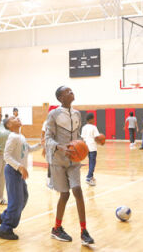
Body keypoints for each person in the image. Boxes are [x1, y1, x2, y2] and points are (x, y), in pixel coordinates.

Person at [45, 86, 94, 245]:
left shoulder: (77, 113)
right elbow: (48, 138)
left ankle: (84, 231)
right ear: (60, 98)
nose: (71, 92)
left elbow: (77, 137)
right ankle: (57, 228)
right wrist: (60, 147)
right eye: (67, 91)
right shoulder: (53, 114)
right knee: (64, 195)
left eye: (72, 90)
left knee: (78, 191)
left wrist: (84, 145)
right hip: (58, 161)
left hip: (74, 160)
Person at [0, 116, 43, 240]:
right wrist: (20, 166)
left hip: (18, 172)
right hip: (12, 171)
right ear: (9, 125)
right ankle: (5, 229)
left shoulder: (21, 136)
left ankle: (4, 216)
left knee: (23, 198)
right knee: (16, 201)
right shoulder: (12, 137)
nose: (17, 118)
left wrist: (40, 145)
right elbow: (6, 156)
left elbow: (28, 149)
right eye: (13, 118)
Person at [81, 113, 100, 186]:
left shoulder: (84, 127)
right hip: (92, 147)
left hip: (86, 147)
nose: (94, 120)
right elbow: (97, 137)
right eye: (94, 119)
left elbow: (82, 138)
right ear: (91, 119)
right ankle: (88, 178)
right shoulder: (93, 127)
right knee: (92, 163)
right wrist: (101, 141)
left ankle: (91, 176)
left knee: (90, 162)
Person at [42, 105, 58, 189]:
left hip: (57, 145)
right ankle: (49, 179)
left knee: (57, 162)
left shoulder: (59, 122)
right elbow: (43, 134)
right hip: (49, 145)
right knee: (50, 162)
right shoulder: (46, 122)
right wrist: (44, 147)